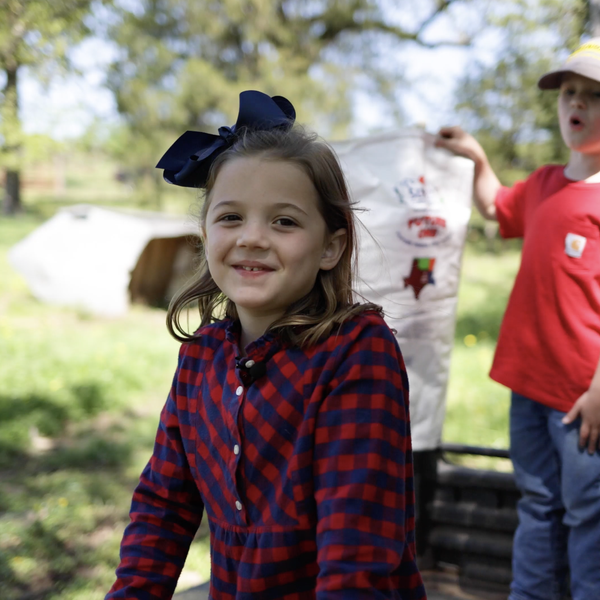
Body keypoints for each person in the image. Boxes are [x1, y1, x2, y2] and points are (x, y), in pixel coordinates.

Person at [105, 91, 426, 600]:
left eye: (284, 221)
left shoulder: (356, 353)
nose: (252, 237)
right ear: (205, 232)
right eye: (231, 217)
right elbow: (163, 507)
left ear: (330, 246)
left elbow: (357, 555)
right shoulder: (200, 358)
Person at [435, 39, 600, 600]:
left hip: (584, 398)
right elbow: (493, 205)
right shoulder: (546, 184)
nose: (575, 103)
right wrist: (479, 159)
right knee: (538, 503)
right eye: (569, 93)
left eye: (593, 95)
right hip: (527, 388)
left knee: (586, 516)